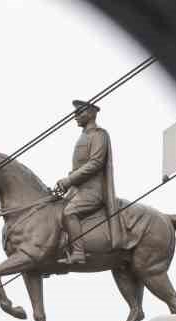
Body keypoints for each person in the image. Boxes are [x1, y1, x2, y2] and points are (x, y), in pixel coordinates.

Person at [53, 98, 128, 267]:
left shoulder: (99, 135)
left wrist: (69, 180)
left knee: (69, 212)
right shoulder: (84, 136)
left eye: (79, 112)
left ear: (90, 113)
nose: (75, 116)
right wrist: (67, 183)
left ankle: (78, 253)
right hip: (78, 190)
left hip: (93, 191)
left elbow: (95, 163)